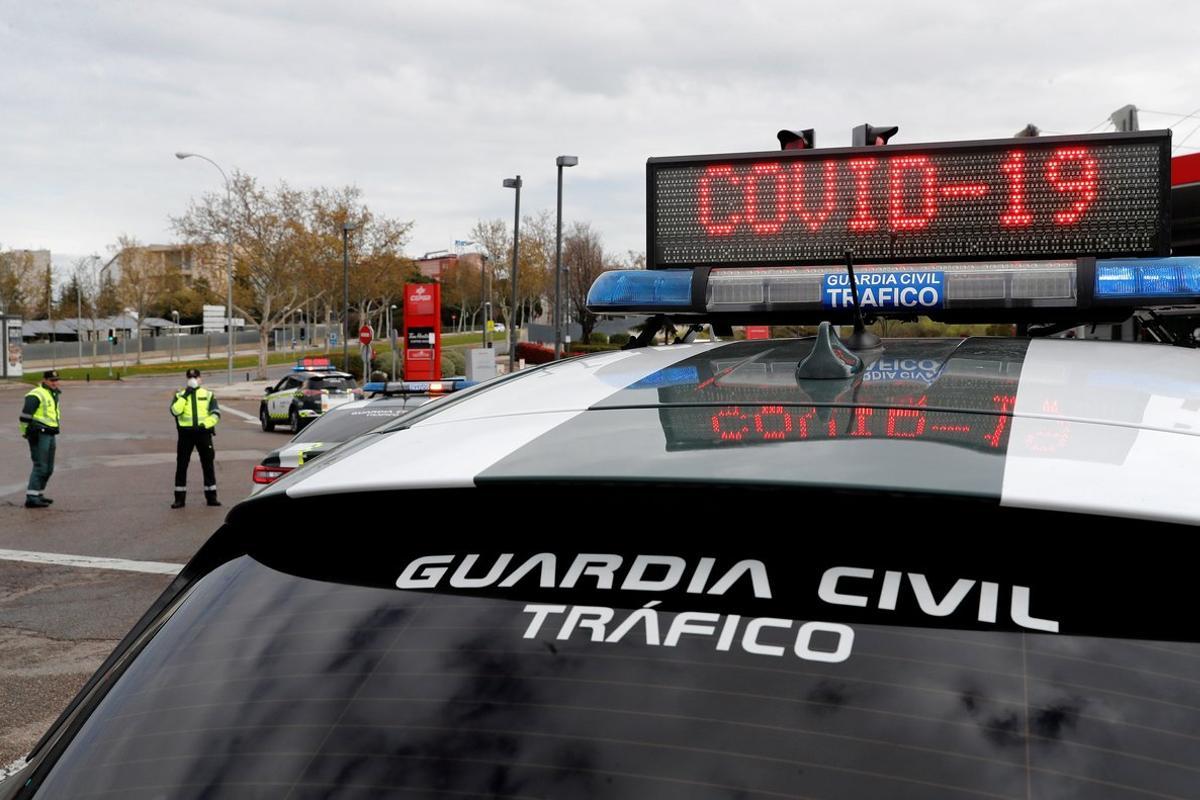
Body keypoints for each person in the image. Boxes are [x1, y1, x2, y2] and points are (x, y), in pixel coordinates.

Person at [170, 367, 221, 508]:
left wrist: (205, 425)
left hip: (203, 433)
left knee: (208, 464)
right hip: (185, 435)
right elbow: (175, 411)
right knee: (181, 465)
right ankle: (179, 499)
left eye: (195, 377)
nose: (193, 380)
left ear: (200, 378)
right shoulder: (180, 395)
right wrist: (187, 394)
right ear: (187, 379)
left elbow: (216, 413)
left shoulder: (208, 394)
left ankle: (211, 497)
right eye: (190, 378)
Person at [19, 369, 62, 509]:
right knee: (41, 465)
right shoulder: (36, 394)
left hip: (50, 432)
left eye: (56, 380)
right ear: (44, 380)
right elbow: (25, 416)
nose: (55, 383)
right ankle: (31, 498)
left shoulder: (53, 393)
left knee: (49, 468)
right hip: (39, 433)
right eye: (52, 380)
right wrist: (25, 432)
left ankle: (38, 494)